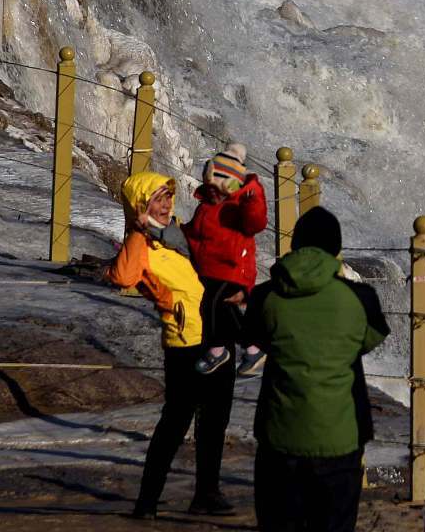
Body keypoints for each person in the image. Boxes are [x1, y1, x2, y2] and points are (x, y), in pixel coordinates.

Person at [244, 206, 390, 532]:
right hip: (340, 437)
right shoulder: (360, 298)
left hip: (280, 438)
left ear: (294, 245)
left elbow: (255, 337)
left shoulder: (265, 295)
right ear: (336, 250)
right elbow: (369, 339)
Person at [104, 170, 236, 520]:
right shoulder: (141, 242)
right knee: (175, 423)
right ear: (140, 206)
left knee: (215, 420)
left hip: (217, 334)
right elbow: (123, 277)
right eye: (156, 199)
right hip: (185, 340)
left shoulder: (180, 232)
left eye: (166, 197)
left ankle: (206, 494)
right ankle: (147, 502)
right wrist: (138, 231)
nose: (164, 205)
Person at [182, 144, 269, 377]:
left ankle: (220, 350)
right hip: (210, 270)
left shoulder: (240, 206)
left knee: (212, 308)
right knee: (222, 311)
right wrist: (177, 233)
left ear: (231, 186)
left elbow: (256, 222)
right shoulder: (206, 207)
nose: (212, 192)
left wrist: (252, 197)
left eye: (218, 188)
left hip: (233, 269)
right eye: (209, 186)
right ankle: (250, 349)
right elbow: (195, 234)